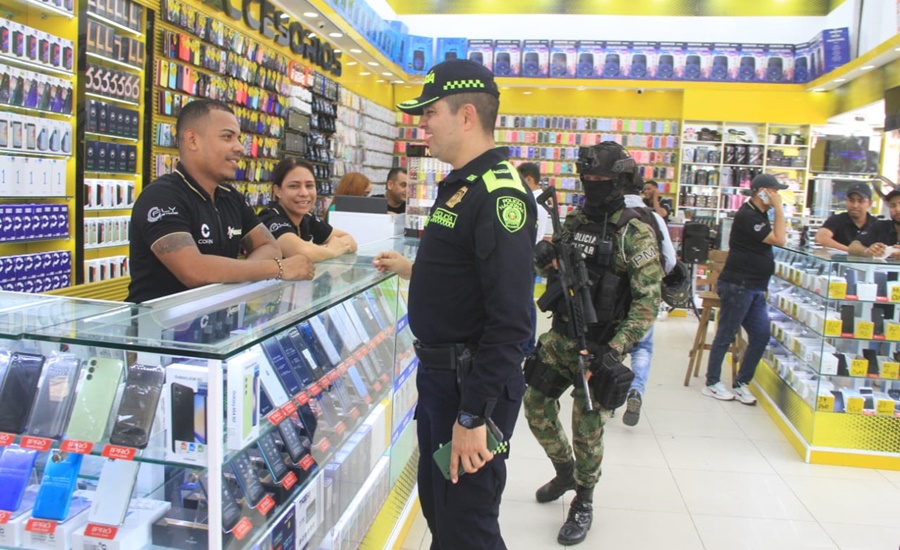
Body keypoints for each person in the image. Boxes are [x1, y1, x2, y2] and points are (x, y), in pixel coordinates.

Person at [372, 59, 536, 550]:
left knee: (468, 527)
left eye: (430, 113)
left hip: (471, 387)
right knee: (442, 509)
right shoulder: (462, 185)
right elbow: (465, 278)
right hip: (444, 379)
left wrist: (473, 417)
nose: (422, 124)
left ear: (466, 116)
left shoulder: (499, 195)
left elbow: (511, 322)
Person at [524, 142, 662, 546]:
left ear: (620, 180)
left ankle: (583, 499)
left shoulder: (634, 232)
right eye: (588, 180)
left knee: (586, 428)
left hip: (601, 346)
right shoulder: (577, 218)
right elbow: (549, 264)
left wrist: (615, 349)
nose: (593, 186)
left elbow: (647, 302)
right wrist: (544, 253)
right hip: (563, 335)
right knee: (534, 407)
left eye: (601, 180)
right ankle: (564, 470)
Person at [127, 99, 315, 303]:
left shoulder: (230, 197)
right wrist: (278, 269)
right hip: (156, 329)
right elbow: (193, 271)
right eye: (227, 137)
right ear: (192, 140)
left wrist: (232, 279)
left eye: (238, 138)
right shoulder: (161, 197)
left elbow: (270, 246)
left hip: (217, 325)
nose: (240, 148)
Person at [702, 174, 787, 404]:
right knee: (726, 334)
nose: (777, 195)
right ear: (761, 191)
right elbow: (780, 239)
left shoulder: (759, 214)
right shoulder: (748, 215)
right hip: (739, 285)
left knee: (760, 336)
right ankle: (712, 382)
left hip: (755, 287)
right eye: (774, 191)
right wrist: (779, 208)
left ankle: (742, 382)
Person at [622, 172, 676, 427]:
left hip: (609, 296)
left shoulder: (609, 215)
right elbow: (670, 259)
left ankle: (607, 398)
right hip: (644, 296)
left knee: (610, 347)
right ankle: (635, 390)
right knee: (642, 348)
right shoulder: (652, 217)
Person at [259, 157, 358, 262]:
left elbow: (350, 241)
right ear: (277, 191)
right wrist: (332, 250)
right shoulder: (270, 218)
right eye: (294, 186)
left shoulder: (307, 218)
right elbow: (305, 253)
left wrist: (321, 251)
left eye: (309, 186)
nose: (304, 193)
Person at [517, 162, 550, 357]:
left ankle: (528, 345)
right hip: (530, 254)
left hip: (528, 254)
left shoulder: (535, 201)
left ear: (529, 179)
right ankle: (527, 343)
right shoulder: (540, 199)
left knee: (526, 301)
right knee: (526, 300)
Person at [815, 182, 876, 251]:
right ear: (846, 201)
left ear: (869, 203)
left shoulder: (877, 225)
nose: (855, 205)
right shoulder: (836, 220)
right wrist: (851, 251)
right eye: (851, 200)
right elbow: (821, 238)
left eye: (861, 201)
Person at [849, 189, 900, 258]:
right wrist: (868, 251)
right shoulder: (881, 226)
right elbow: (853, 246)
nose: (897, 209)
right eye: (893, 206)